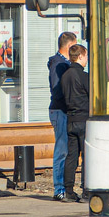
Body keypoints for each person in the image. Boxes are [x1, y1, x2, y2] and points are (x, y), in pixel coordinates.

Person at [47, 30, 78, 201]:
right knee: (61, 150)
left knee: (67, 150)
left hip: (64, 111)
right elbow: (57, 88)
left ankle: (65, 187)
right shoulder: (58, 64)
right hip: (60, 111)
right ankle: (59, 189)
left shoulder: (63, 63)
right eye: (75, 45)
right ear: (69, 45)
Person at [60, 44, 90, 203]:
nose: (87, 60)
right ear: (80, 56)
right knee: (87, 157)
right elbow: (93, 97)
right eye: (85, 56)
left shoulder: (65, 76)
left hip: (70, 120)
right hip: (84, 120)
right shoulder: (84, 77)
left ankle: (68, 191)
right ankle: (86, 191)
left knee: (71, 156)